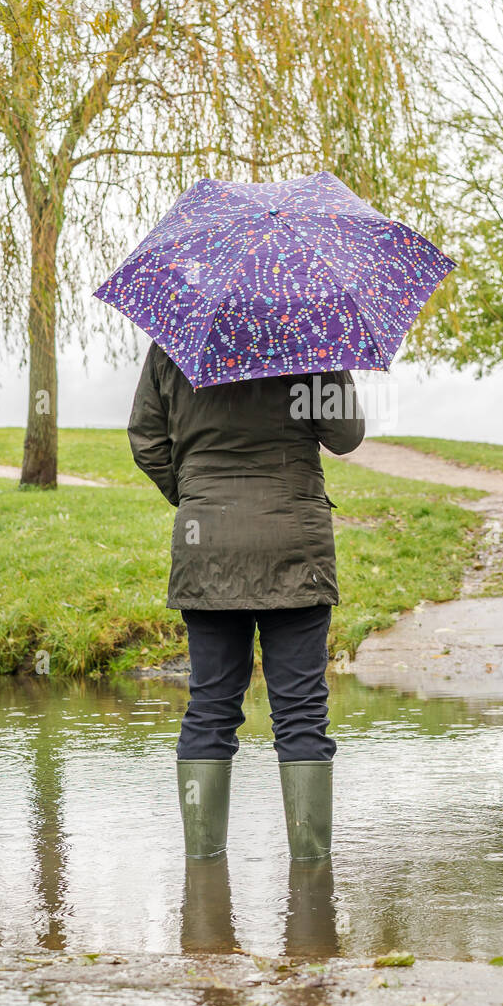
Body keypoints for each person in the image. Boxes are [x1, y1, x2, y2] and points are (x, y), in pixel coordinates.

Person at [127, 343, 365, 861]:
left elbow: (146, 441)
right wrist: (328, 362)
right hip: (293, 540)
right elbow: (345, 437)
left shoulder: (175, 344)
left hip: (205, 539)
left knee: (210, 707)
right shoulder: (307, 338)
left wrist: (196, 491)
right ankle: (310, 876)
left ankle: (203, 876)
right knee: (301, 711)